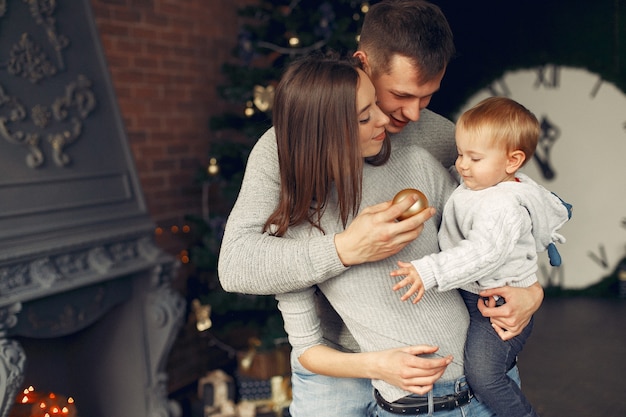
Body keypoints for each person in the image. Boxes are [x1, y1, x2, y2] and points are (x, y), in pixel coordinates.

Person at [218, 1, 544, 415]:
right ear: (363, 63)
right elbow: (236, 264)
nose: (411, 113)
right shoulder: (283, 152)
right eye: (402, 95)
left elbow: (513, 207)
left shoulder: (434, 140)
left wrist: (531, 291)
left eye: (427, 98)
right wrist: (344, 250)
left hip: (445, 367)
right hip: (335, 367)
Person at [390, 97, 572, 417]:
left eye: (474, 158)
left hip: (496, 308)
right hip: (476, 294)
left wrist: (430, 270)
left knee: (485, 376)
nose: (461, 165)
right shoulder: (482, 183)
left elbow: (482, 254)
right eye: (460, 153)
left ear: (512, 161)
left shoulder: (502, 205)